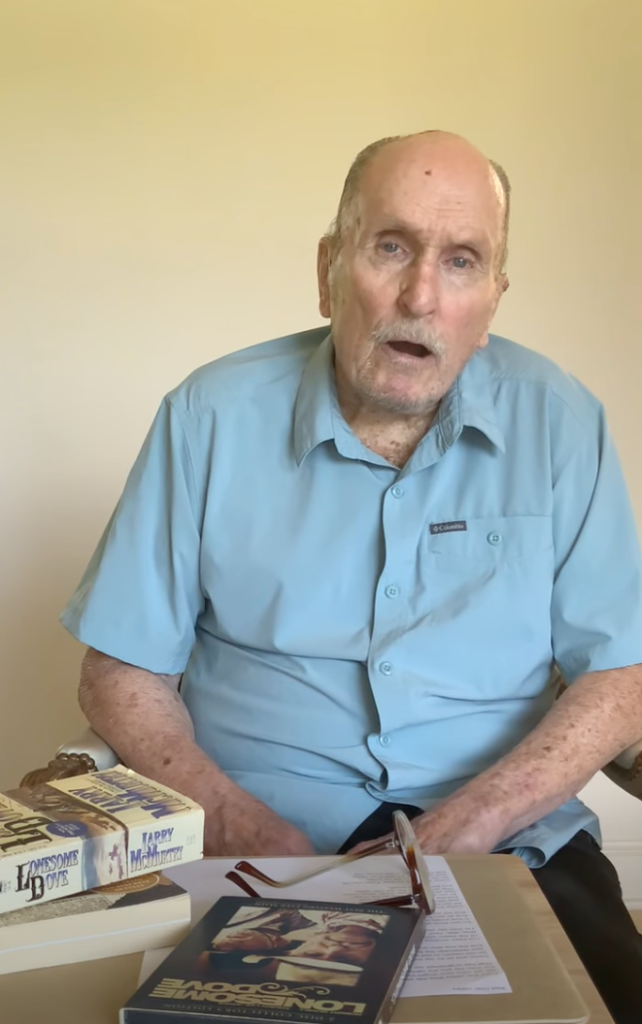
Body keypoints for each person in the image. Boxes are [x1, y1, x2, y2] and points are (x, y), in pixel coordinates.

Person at [61, 130, 642, 1022]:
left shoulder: (560, 422)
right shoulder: (209, 416)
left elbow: (621, 672)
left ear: (492, 300)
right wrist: (240, 822)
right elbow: (120, 672)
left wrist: (476, 822)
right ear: (330, 266)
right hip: (253, 843)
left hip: (509, 839)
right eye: (391, 247)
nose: (421, 296)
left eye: (461, 261)